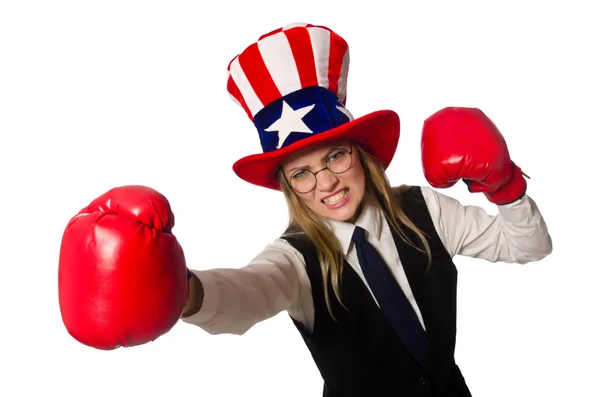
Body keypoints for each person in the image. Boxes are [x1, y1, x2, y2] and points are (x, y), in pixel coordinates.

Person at [58, 23, 552, 397]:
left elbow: (529, 246)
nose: (326, 182)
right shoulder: (293, 259)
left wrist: (505, 185)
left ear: (360, 152)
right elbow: (249, 292)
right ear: (289, 188)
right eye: (302, 173)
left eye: (336, 155)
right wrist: (183, 291)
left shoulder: (424, 210)